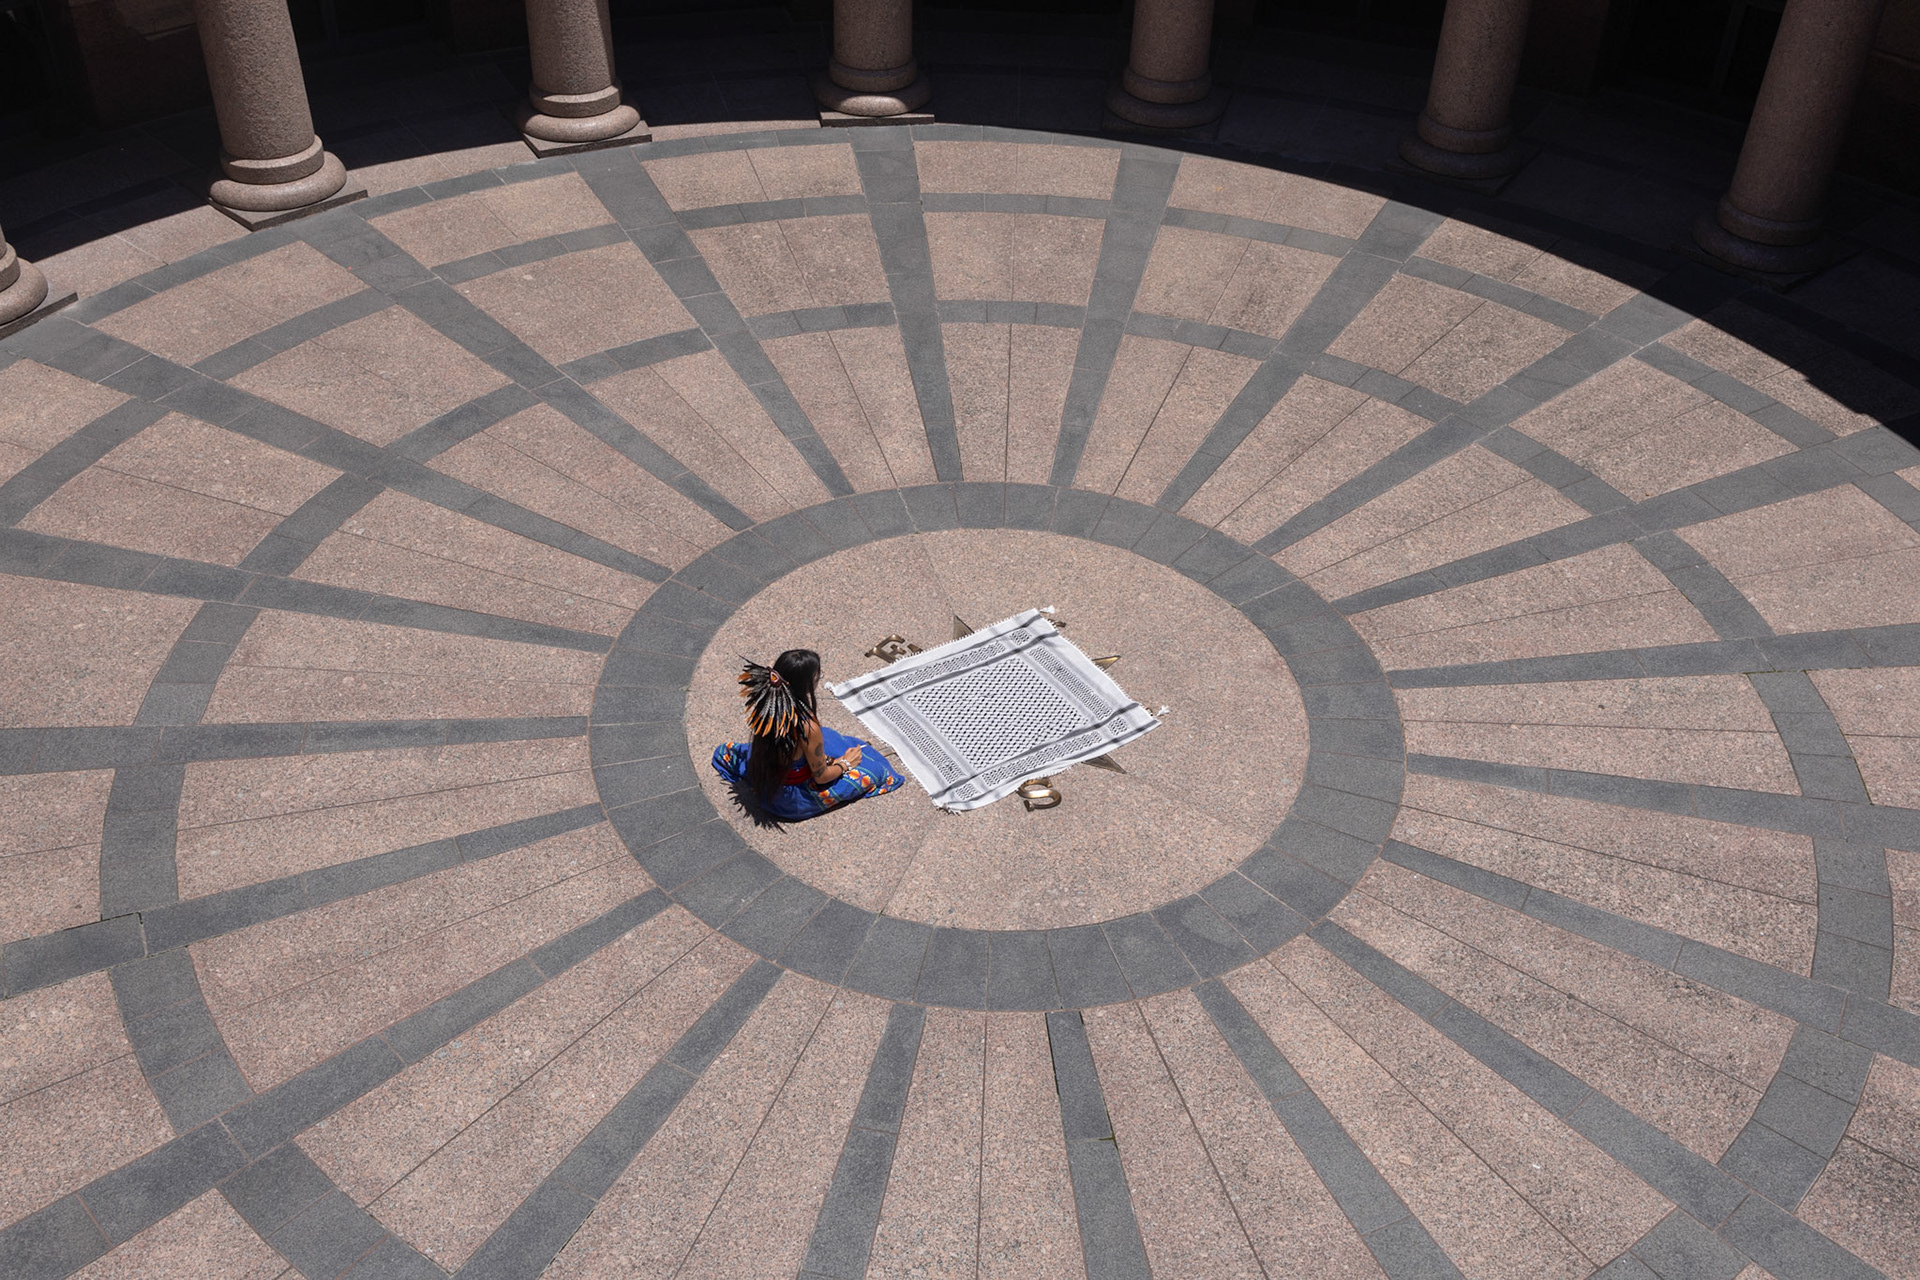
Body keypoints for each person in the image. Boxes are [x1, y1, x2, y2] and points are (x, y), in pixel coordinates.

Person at [711, 648, 904, 822]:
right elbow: (821, 778)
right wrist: (844, 764)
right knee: (874, 770)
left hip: (765, 773)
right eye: (817, 677)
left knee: (827, 737)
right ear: (806, 684)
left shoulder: (767, 699)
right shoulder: (807, 727)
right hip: (789, 798)